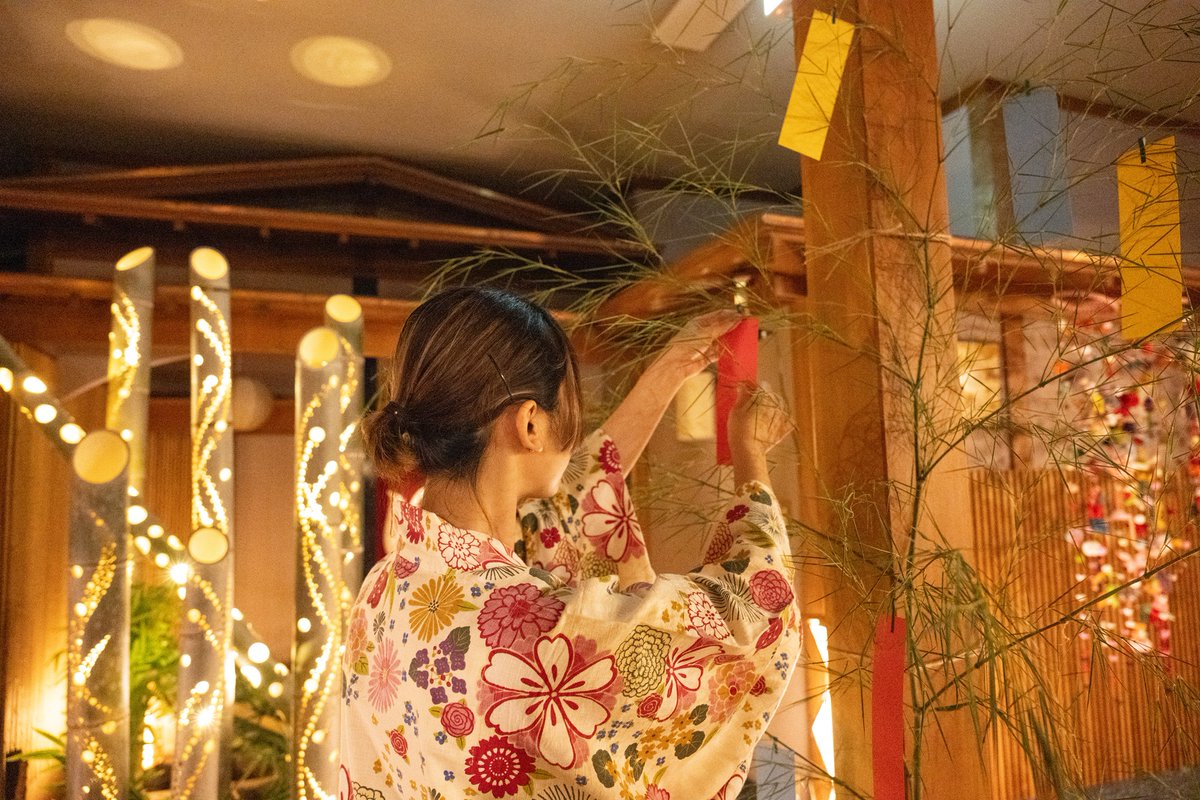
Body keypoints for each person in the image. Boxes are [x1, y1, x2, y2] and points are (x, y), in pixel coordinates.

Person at [341, 287, 799, 800]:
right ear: (531, 423)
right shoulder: (542, 633)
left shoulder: (385, 589)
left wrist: (671, 370)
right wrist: (751, 457)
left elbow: (571, 497)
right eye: (570, 406)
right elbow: (751, 613)